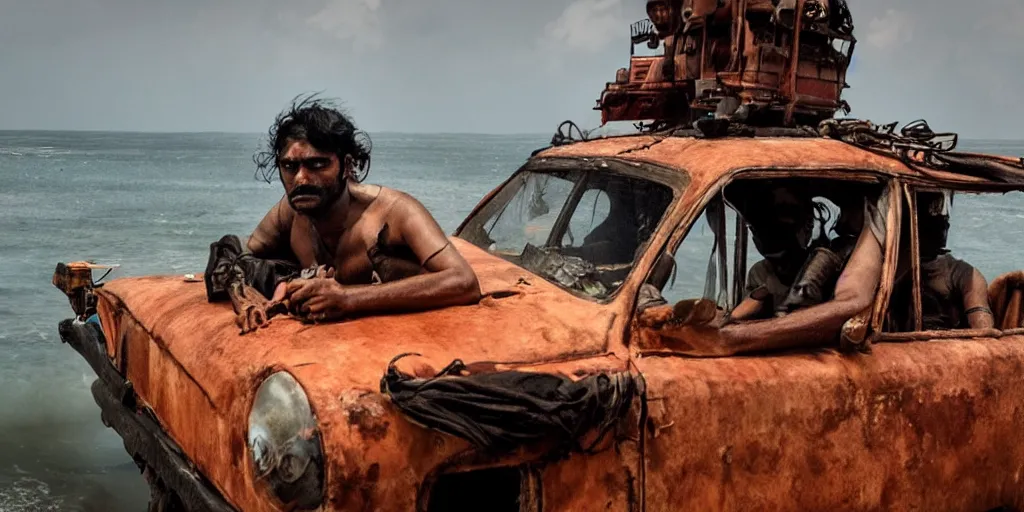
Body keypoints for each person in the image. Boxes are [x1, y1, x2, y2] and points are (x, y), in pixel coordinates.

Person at [246, 95, 481, 324]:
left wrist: (348, 298)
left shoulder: (395, 212)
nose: (301, 178)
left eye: (317, 164)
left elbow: (464, 281)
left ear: (346, 165)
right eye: (289, 166)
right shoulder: (290, 211)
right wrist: (280, 287)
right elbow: (241, 256)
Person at [888, 191, 994, 331]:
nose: (941, 230)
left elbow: (982, 328)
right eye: (929, 225)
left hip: (947, 346)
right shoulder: (890, 271)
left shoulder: (962, 274)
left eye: (942, 224)